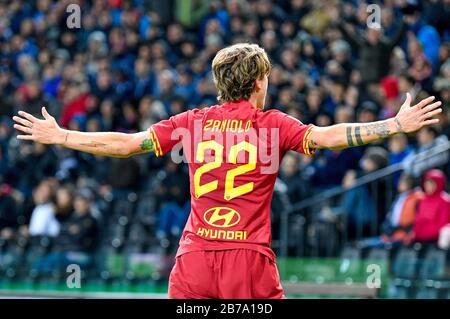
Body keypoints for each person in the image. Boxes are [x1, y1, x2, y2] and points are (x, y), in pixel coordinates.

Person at [13, 43, 443, 299]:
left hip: (195, 258)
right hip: (248, 259)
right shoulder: (273, 124)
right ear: (258, 83)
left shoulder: (192, 122)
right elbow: (330, 136)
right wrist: (394, 125)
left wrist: (62, 135)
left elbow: (126, 145)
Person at [412, 169, 450, 243]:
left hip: (436, 238)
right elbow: (418, 220)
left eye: (431, 183)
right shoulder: (423, 199)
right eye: (427, 183)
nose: (428, 186)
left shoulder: (445, 200)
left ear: (438, 183)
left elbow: (443, 224)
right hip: (422, 237)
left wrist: (425, 233)